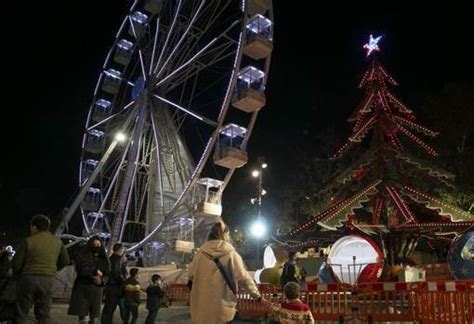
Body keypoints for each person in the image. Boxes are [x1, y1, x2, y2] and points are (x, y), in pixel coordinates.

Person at [188, 221, 263, 324]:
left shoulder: (200, 254)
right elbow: (243, 278)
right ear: (225, 234)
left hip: (201, 310)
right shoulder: (231, 254)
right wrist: (257, 296)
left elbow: (190, 276)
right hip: (222, 309)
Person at [12, 214, 70, 324]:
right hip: (48, 280)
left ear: (34, 227)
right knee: (44, 314)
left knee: (22, 312)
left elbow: (16, 262)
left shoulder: (29, 241)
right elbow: (65, 260)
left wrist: (17, 274)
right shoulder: (57, 242)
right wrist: (52, 269)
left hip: (28, 278)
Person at [68, 237, 110, 324]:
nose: (96, 247)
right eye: (94, 245)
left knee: (94, 317)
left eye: (98, 245)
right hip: (83, 288)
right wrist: (94, 271)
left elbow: (107, 275)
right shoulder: (83, 257)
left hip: (96, 290)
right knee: (83, 317)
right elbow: (81, 269)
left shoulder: (104, 259)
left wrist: (102, 281)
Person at [101, 243, 127, 324]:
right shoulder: (117, 259)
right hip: (115, 287)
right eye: (123, 249)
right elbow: (117, 273)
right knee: (111, 307)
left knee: (109, 307)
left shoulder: (110, 258)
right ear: (120, 250)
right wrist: (124, 282)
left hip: (110, 286)